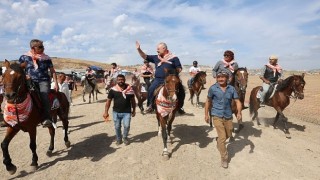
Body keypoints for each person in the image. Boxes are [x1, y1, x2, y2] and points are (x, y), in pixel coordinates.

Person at [204, 70, 242, 169]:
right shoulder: (213, 88)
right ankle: (224, 158)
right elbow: (208, 101)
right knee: (222, 137)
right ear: (216, 78)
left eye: (223, 77)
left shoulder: (231, 89)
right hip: (217, 115)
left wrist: (239, 112)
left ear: (227, 78)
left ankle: (219, 140)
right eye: (219, 77)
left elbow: (237, 101)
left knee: (229, 134)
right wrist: (206, 115)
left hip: (228, 115)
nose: (220, 79)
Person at [136, 41, 185, 114]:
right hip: (158, 79)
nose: (157, 50)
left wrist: (172, 73)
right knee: (151, 89)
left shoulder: (174, 58)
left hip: (171, 80)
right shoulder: (156, 57)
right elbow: (145, 56)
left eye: (158, 49)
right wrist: (139, 49)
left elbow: (179, 68)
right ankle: (150, 106)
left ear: (164, 48)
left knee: (182, 91)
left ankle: (180, 106)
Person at [19, 39, 59, 127]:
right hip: (29, 81)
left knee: (44, 95)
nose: (43, 48)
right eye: (40, 47)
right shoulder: (24, 57)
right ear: (33, 48)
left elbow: (52, 71)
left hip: (44, 81)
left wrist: (56, 83)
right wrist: (25, 75)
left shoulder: (47, 58)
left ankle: (47, 118)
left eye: (43, 46)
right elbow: (19, 69)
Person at [103, 74, 136, 145]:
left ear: (124, 80)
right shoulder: (113, 90)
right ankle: (118, 139)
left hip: (127, 112)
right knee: (117, 127)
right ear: (117, 81)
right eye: (119, 80)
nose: (121, 81)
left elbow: (133, 101)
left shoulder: (130, 89)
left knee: (127, 126)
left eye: (122, 79)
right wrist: (106, 112)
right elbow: (108, 101)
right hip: (116, 112)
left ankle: (125, 137)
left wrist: (134, 110)